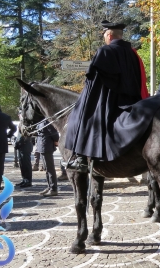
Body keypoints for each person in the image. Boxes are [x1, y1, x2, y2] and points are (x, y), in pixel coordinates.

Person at [64, 19, 149, 171]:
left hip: (109, 101)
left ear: (109, 35)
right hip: (132, 100)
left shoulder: (105, 51)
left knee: (79, 116)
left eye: (104, 35)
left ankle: (81, 158)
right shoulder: (133, 54)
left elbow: (92, 83)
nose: (104, 37)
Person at [36, 120, 59, 196]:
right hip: (42, 147)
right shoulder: (40, 121)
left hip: (46, 147)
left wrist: (56, 141)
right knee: (47, 169)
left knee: (50, 169)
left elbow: (54, 134)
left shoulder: (47, 121)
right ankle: (50, 187)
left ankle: (53, 189)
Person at [14, 120, 33, 188]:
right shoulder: (21, 122)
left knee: (26, 164)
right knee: (22, 164)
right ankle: (24, 179)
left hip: (25, 146)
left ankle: (28, 181)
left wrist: (17, 143)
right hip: (21, 147)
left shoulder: (26, 123)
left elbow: (24, 136)